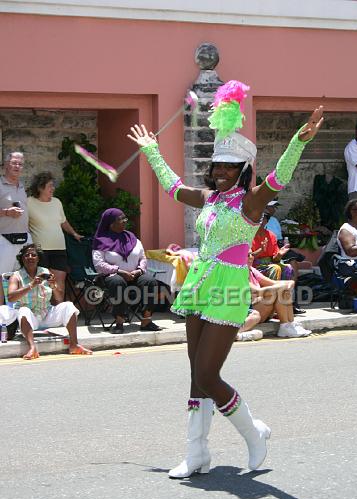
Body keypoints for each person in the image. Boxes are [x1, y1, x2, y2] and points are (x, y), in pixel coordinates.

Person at [128, 79, 323, 478]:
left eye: (227, 167)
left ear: (242, 170)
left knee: (207, 373)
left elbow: (280, 178)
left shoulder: (250, 201)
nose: (218, 172)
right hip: (200, 282)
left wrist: (298, 142)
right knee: (194, 373)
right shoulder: (210, 198)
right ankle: (196, 453)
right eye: (216, 165)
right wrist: (151, 152)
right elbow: (173, 187)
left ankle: (253, 432)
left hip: (229, 286)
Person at [7, 243, 92, 359]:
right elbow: (11, 297)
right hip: (29, 318)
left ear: (38, 258)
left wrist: (53, 286)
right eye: (27, 255)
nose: (30, 257)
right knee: (23, 310)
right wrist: (31, 285)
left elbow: (59, 298)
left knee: (68, 306)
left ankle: (74, 345)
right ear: (22, 258)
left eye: (33, 255)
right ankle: (32, 348)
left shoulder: (45, 272)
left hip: (46, 313)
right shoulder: (16, 276)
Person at [92, 208, 162, 333]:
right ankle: (119, 322)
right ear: (111, 223)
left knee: (150, 282)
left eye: (125, 218)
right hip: (111, 276)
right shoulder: (100, 241)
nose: (125, 221)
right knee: (117, 282)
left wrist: (139, 270)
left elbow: (142, 257)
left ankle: (146, 320)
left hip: (135, 275)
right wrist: (118, 271)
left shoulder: (131, 237)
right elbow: (98, 264)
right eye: (121, 219)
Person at [27, 171, 83, 301]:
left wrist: (74, 233)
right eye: (50, 185)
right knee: (41, 283)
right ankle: (41, 314)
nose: (53, 188)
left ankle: (59, 314)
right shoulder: (29, 202)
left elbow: (63, 221)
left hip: (59, 248)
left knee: (59, 284)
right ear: (40, 187)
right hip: (40, 250)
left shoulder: (57, 202)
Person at [236, 252, 311, 340]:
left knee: (283, 291)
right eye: (247, 255)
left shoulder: (252, 270)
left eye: (252, 254)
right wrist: (283, 287)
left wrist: (290, 282)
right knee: (281, 290)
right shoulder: (238, 273)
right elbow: (257, 292)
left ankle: (290, 324)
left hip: (261, 309)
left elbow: (273, 283)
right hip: (250, 311)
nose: (251, 257)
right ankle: (285, 326)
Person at [0, 152, 31, 305]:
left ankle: (17, 319)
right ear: (5, 165)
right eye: (14, 163)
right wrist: (6, 212)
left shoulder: (22, 186)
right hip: (4, 238)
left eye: (20, 164)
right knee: (1, 278)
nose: (17, 166)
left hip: (24, 238)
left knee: (21, 278)